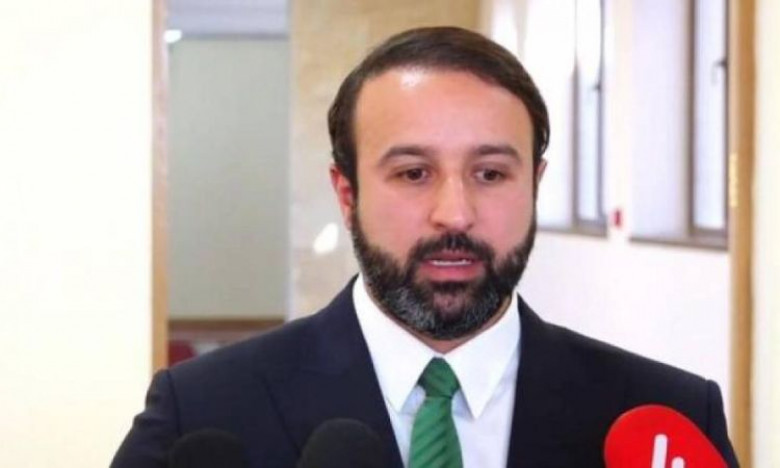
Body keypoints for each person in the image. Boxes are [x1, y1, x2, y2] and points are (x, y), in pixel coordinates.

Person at [111, 26, 739, 468]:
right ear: (347, 193)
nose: (455, 213)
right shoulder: (204, 410)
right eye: (413, 173)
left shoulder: (667, 421)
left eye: (490, 173)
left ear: (535, 185)